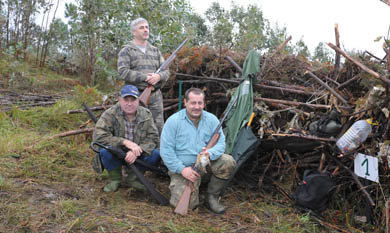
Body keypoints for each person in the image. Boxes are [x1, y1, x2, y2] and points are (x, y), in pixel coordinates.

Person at [160, 88, 236, 214]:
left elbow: (221, 144)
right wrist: (182, 170)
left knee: (227, 161)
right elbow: (166, 151)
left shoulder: (212, 120)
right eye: (193, 103)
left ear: (204, 104)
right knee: (187, 207)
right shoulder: (173, 122)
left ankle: (211, 197)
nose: (196, 106)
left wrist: (209, 153)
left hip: (205, 164)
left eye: (200, 103)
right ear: (185, 102)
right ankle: (193, 186)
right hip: (183, 168)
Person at [92, 85, 160, 193]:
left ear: (138, 100)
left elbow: (153, 138)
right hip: (117, 152)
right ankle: (115, 179)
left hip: (138, 153)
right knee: (105, 151)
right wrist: (124, 142)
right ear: (119, 99)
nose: (129, 103)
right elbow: (99, 136)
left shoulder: (146, 114)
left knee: (155, 154)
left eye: (133, 100)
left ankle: (133, 178)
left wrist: (137, 151)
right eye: (126, 100)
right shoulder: (110, 113)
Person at [117, 17, 169, 135]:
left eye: (147, 27)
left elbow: (167, 72)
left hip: (155, 97)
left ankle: (159, 153)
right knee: (136, 128)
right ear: (133, 32)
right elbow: (123, 71)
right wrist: (145, 77)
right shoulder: (126, 50)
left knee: (158, 129)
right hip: (135, 97)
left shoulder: (155, 51)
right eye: (141, 28)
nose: (145, 30)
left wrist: (158, 77)